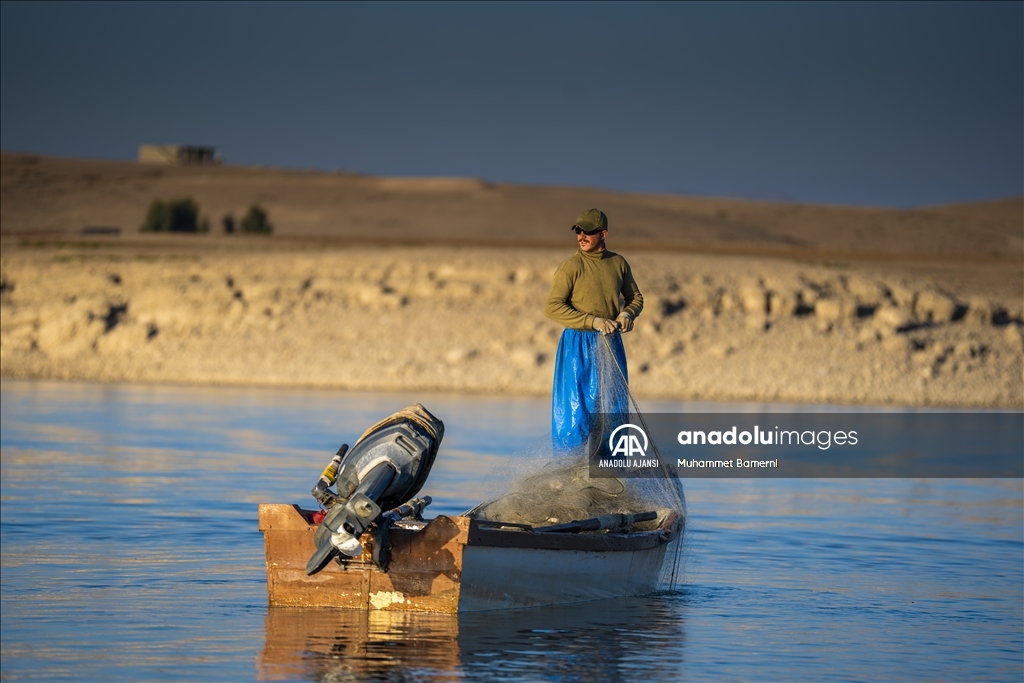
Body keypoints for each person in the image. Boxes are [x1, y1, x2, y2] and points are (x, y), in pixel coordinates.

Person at [544, 208, 643, 452]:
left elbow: (635, 298)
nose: (582, 236)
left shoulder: (618, 263)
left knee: (612, 409)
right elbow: (552, 307)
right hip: (577, 344)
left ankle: (610, 472)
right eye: (578, 231)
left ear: (604, 233)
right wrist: (592, 321)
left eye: (588, 231)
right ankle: (570, 469)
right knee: (575, 412)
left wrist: (627, 313)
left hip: (609, 343)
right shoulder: (571, 267)